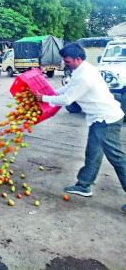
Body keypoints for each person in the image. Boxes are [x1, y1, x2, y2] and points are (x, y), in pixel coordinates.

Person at [35, 42, 126, 213]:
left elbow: (68, 99)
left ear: (78, 59)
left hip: (106, 120)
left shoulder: (85, 76)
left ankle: (85, 185)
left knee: (117, 158)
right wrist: (49, 93)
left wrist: (44, 99)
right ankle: (84, 185)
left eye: (67, 61)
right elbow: (68, 87)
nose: (65, 64)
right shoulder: (81, 70)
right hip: (99, 119)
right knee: (93, 152)